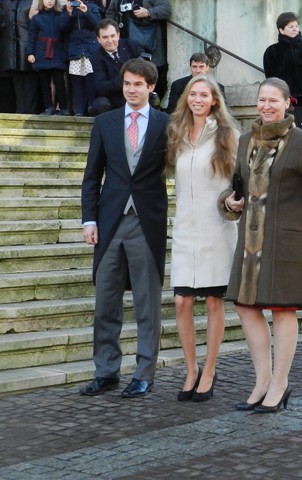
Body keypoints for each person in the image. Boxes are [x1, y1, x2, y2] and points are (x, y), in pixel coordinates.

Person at [220, 78, 302, 413]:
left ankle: (281, 383)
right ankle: (263, 380)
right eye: (262, 100)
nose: (266, 106)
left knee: (283, 310)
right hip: (251, 241)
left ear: (287, 104)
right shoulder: (245, 141)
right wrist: (230, 201)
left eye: (273, 101)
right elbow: (234, 186)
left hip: (287, 239)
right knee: (245, 307)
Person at [79, 58, 170, 398]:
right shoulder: (104, 123)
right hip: (108, 221)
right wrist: (89, 219)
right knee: (105, 303)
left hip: (147, 222)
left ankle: (144, 372)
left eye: (138, 84)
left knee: (147, 303)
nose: (132, 89)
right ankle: (106, 371)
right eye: (127, 83)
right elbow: (92, 176)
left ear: (151, 88)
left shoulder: (166, 123)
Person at [165, 76, 239, 402]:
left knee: (212, 301)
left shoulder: (228, 136)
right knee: (181, 301)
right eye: (192, 94)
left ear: (214, 100)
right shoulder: (176, 135)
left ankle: (210, 369)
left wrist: (235, 203)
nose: (197, 99)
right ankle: (191, 368)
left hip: (216, 229)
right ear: (186, 99)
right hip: (184, 228)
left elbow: (241, 182)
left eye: (204, 94)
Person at [263, 12, 302, 133]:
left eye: (296, 26)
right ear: (281, 30)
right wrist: (286, 98)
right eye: (291, 26)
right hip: (286, 105)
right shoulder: (272, 52)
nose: (295, 29)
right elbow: (272, 80)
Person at [106, 0, 171, 100]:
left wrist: (148, 12)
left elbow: (166, 9)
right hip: (123, 44)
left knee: (149, 75)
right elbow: (110, 13)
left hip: (148, 44)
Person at [89, 18, 143, 115]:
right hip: (112, 98)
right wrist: (126, 79)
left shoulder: (132, 45)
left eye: (112, 36)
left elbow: (145, 69)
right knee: (99, 104)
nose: (110, 40)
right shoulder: (95, 58)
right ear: (98, 39)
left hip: (134, 92)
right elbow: (102, 87)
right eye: (105, 37)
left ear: (118, 35)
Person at [27, 0, 71, 115]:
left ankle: (63, 108)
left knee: (59, 82)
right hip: (42, 53)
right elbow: (32, 37)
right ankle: (48, 107)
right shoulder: (37, 18)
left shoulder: (61, 15)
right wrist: (30, 53)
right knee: (44, 83)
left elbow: (66, 30)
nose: (50, 1)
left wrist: (67, 14)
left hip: (58, 52)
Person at [0, 0, 43, 114]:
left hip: (29, 48)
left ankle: (30, 113)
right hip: (11, 50)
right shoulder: (6, 3)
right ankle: (21, 112)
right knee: (18, 84)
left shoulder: (34, 2)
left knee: (30, 83)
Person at [63, 0, 101, 116]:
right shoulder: (66, 9)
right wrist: (69, 14)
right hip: (75, 50)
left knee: (91, 80)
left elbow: (98, 25)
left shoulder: (92, 7)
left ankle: (91, 107)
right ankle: (79, 110)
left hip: (91, 50)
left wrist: (86, 12)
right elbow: (62, 28)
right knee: (77, 83)